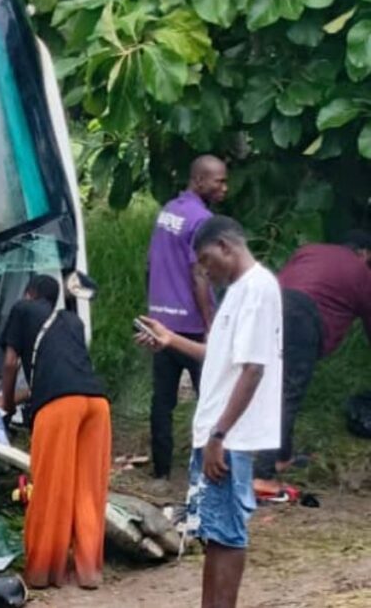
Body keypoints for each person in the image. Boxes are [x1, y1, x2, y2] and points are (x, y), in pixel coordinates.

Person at [137, 216, 282, 608]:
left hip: (227, 436)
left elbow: (253, 368)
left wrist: (221, 435)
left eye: (205, 260)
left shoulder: (258, 289)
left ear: (225, 247)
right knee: (212, 533)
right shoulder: (235, 292)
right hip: (213, 432)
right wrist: (169, 340)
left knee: (229, 533)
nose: (204, 270)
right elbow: (220, 358)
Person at [0, 274, 110, 590]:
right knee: (87, 489)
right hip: (97, 405)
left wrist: (5, 404)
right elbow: (58, 375)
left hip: (59, 409)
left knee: (50, 487)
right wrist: (17, 397)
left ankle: (41, 572)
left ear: (30, 293)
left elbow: (9, 364)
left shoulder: (23, 309)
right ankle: (89, 572)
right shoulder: (72, 322)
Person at [253, 229, 371, 489]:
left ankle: (281, 457)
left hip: (269, 307)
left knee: (271, 386)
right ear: (363, 254)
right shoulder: (361, 271)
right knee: (288, 395)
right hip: (302, 318)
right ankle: (262, 475)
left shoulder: (309, 250)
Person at [146, 155, 228, 479]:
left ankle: (161, 472)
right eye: (218, 181)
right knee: (210, 399)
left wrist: (152, 308)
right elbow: (200, 275)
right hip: (191, 327)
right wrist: (211, 326)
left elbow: (150, 262)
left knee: (162, 401)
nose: (224, 187)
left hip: (162, 321)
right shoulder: (202, 220)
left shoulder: (169, 211)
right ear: (199, 181)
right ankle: (210, 470)